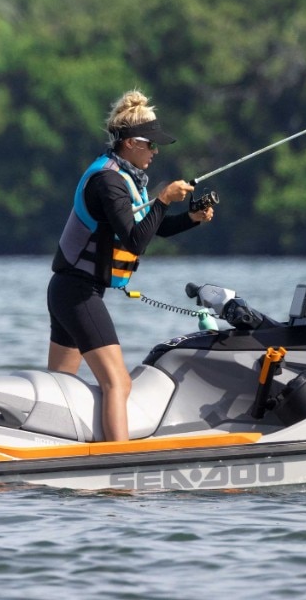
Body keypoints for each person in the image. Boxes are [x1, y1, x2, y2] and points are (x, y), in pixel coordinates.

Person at [47, 89, 215, 442]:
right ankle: (121, 462)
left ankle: (55, 450)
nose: (155, 151)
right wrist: (164, 199)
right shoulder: (108, 181)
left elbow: (153, 228)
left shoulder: (123, 178)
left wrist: (193, 218)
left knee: (61, 388)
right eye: (150, 145)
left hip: (71, 291)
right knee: (118, 383)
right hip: (77, 293)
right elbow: (136, 240)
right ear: (130, 143)